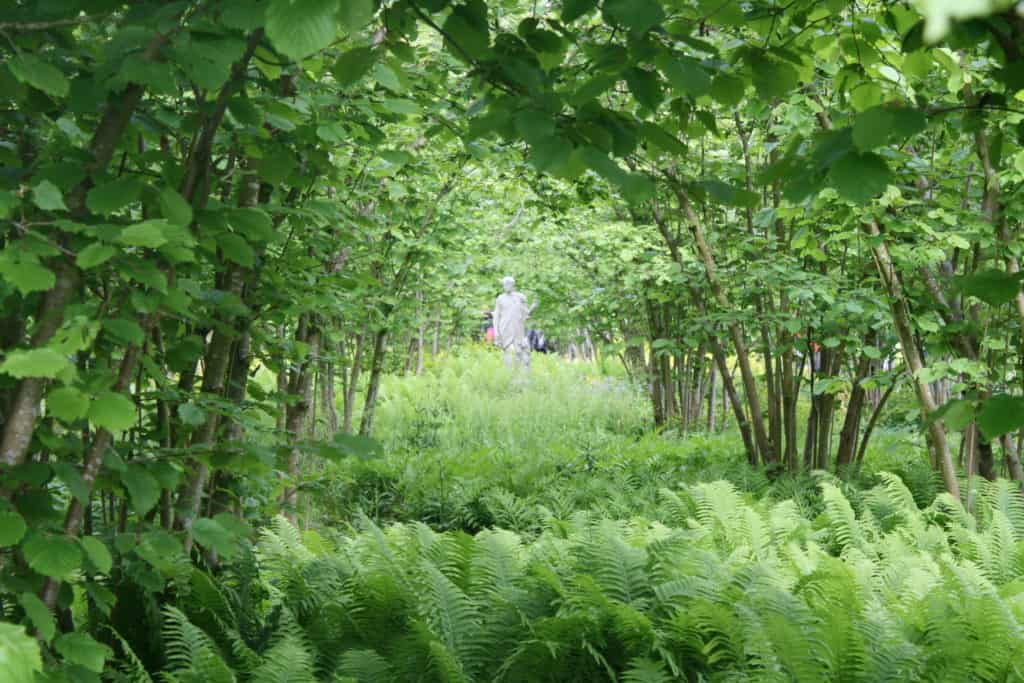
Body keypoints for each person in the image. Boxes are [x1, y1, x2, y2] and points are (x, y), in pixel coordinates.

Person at [493, 276, 536, 370]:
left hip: (518, 328)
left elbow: (526, 314)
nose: (506, 286)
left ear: (512, 285)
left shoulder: (519, 297)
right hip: (505, 328)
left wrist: (533, 308)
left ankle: (519, 376)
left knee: (519, 352)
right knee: (508, 352)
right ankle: (508, 375)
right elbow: (496, 317)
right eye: (504, 284)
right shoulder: (500, 299)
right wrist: (496, 332)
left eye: (508, 284)